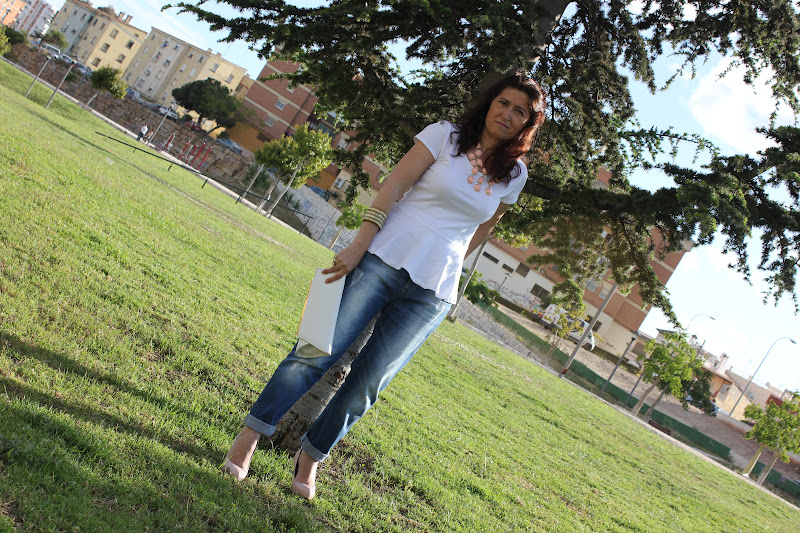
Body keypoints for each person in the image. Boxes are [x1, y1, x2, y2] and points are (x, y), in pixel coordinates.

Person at [222, 72, 547, 499]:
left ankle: (311, 457)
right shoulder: (444, 136)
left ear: (527, 124)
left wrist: (449, 267)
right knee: (315, 350)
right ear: (490, 103)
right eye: (503, 102)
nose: (507, 113)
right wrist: (360, 243)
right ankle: (250, 437)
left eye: (520, 111)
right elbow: (393, 185)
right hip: (383, 258)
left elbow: (482, 230)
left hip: (432, 293)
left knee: (368, 384)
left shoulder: (515, 174)